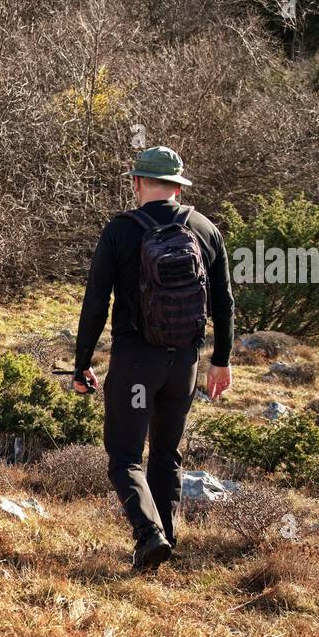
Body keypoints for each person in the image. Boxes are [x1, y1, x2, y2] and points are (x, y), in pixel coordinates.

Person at [72, 146, 235, 571]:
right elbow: (224, 302)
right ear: (178, 187)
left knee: (125, 456)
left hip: (136, 365)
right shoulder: (205, 228)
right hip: (184, 363)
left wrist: (81, 362)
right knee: (166, 454)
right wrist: (222, 359)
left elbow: (96, 303)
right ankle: (165, 543)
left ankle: (148, 536)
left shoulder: (120, 231)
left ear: (137, 183)